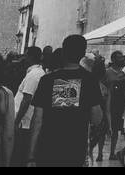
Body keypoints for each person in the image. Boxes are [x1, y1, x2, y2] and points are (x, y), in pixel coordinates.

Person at [29, 34, 104, 167]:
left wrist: (30, 156)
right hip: (75, 149)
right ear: (83, 53)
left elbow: (37, 120)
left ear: (63, 51)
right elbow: (96, 119)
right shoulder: (90, 81)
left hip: (47, 147)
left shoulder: (47, 80)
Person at [12, 46, 45, 166]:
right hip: (24, 121)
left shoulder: (34, 75)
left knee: (18, 154)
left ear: (30, 57)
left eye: (26, 56)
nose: (24, 59)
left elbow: (27, 99)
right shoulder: (35, 73)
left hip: (24, 123)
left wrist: (16, 121)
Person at [86, 53, 111, 163]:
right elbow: (107, 109)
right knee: (101, 136)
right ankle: (98, 153)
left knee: (90, 141)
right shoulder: (105, 88)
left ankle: (91, 154)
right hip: (101, 116)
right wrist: (109, 124)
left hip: (89, 116)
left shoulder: (87, 83)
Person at [106, 52, 125, 161]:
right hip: (109, 103)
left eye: (121, 57)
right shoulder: (108, 72)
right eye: (119, 57)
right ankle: (100, 153)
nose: (121, 59)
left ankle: (112, 153)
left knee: (116, 129)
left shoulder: (123, 72)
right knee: (104, 129)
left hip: (120, 104)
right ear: (113, 59)